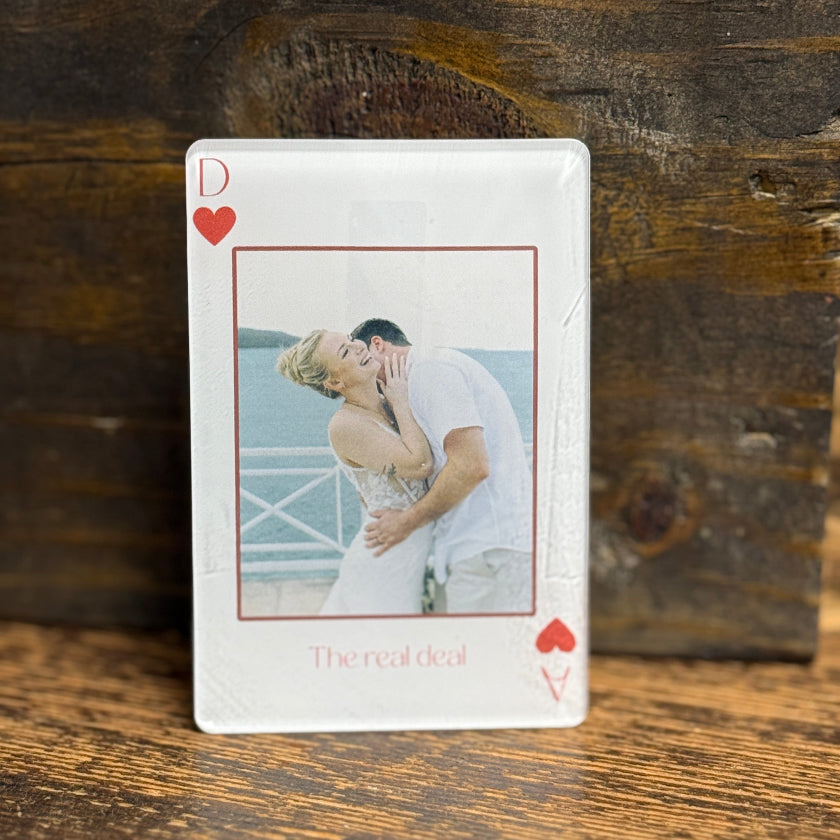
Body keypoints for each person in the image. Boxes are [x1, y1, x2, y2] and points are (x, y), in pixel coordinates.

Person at [350, 318, 533, 614]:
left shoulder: (429, 371)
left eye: (361, 358)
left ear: (377, 344)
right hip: (481, 545)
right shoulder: (420, 377)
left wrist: (406, 523)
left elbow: (471, 465)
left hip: (492, 550)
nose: (364, 374)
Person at [276, 329, 434, 615]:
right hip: (383, 569)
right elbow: (420, 465)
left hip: (409, 558)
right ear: (335, 382)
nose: (359, 346)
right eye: (345, 351)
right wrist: (401, 402)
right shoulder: (345, 425)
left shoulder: (386, 402)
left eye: (351, 340)